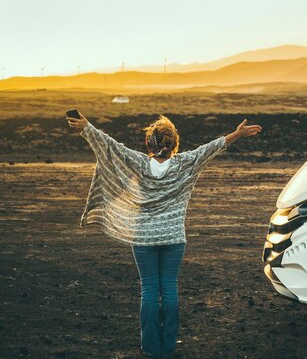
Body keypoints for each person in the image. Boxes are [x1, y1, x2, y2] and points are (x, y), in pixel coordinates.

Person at [66, 112, 261, 358]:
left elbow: (110, 146)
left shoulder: (138, 162)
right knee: (169, 288)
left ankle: (150, 348)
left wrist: (87, 127)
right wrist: (238, 134)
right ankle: (168, 347)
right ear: (174, 144)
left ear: (149, 143)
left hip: (143, 239)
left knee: (148, 289)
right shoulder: (185, 163)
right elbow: (212, 147)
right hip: (174, 239)